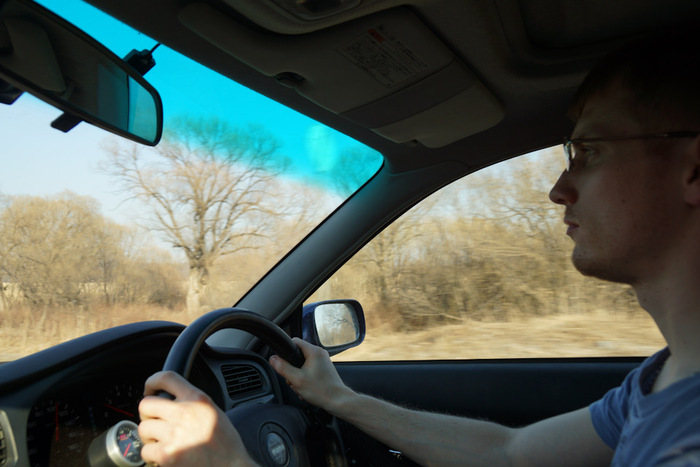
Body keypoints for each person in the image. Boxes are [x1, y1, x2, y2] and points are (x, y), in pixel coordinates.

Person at [137, 25, 700, 466]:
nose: (559, 189)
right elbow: (509, 454)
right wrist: (339, 399)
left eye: (590, 151)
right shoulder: (661, 380)